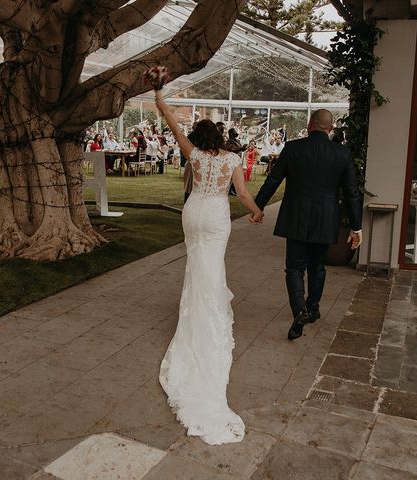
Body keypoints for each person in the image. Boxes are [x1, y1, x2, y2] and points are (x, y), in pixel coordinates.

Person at [155, 89, 264, 445]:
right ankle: (210, 314)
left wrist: (159, 97)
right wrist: (256, 211)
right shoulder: (232, 160)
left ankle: (196, 314)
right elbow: (244, 195)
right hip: (216, 215)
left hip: (194, 212)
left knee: (196, 266)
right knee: (211, 266)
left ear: (199, 139)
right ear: (218, 136)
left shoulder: (194, 156)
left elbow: (172, 124)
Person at [254, 109, 363, 341]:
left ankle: (299, 310)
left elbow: (273, 179)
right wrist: (356, 227)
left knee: (294, 267)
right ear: (330, 129)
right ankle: (312, 309)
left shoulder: (293, 148)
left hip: (296, 216)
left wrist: (258, 207)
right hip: (326, 218)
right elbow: (352, 193)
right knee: (318, 267)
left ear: (309, 124)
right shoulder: (342, 153)